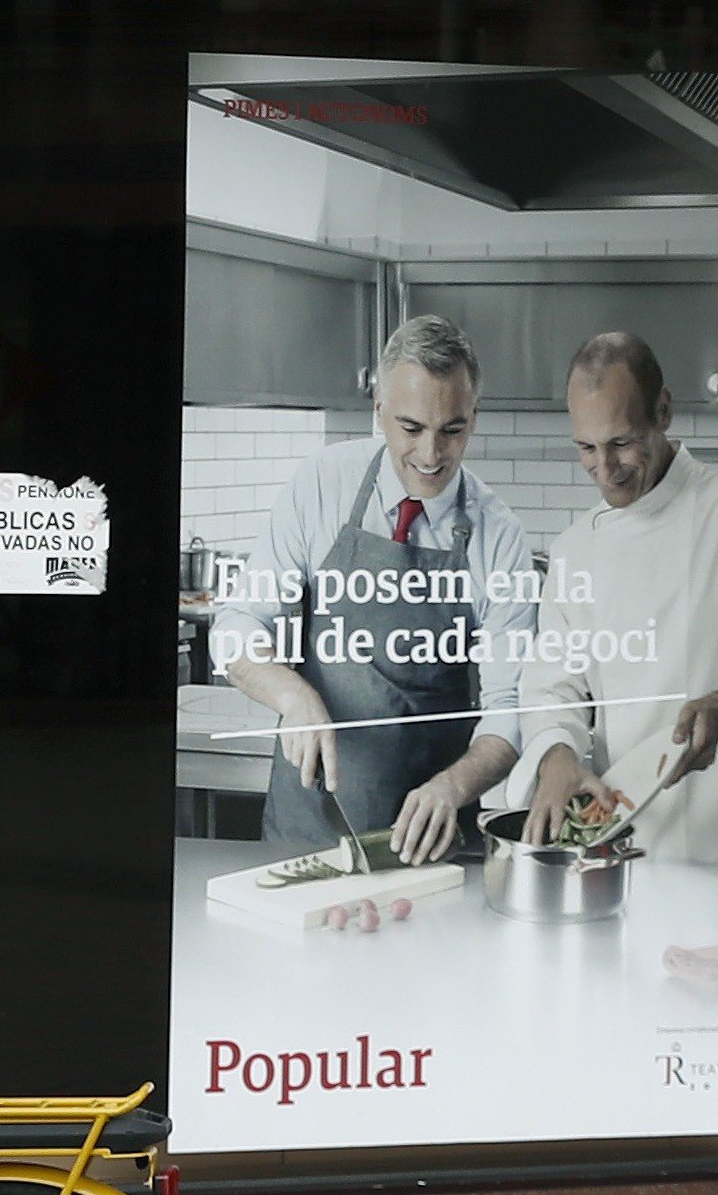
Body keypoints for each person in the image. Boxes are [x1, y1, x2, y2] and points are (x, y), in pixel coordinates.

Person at [212, 315, 531, 866]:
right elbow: (240, 624)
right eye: (411, 428)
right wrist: (292, 694)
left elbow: (511, 708)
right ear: (378, 409)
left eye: (452, 430)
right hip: (309, 828)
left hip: (429, 842)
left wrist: (453, 789)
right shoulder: (320, 485)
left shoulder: (498, 536)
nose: (432, 455)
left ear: (474, 417)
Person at [518, 332, 718, 869]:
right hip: (621, 857)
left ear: (663, 411)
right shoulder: (574, 550)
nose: (604, 470)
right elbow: (552, 685)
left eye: (621, 442)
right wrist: (557, 755)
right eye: (586, 448)